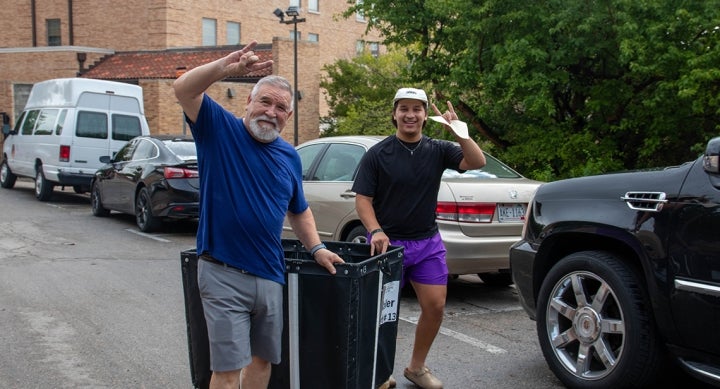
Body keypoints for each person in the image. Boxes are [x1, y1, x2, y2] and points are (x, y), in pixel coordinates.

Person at [173, 40, 344, 389]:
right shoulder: (219, 129)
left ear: (288, 116)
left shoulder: (289, 156)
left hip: (269, 273)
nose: (271, 111)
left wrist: (317, 248)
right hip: (222, 271)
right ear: (249, 102)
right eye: (264, 101)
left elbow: (300, 210)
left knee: (263, 362)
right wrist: (226, 68)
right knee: (226, 370)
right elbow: (183, 89)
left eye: (280, 107)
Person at [352, 87, 486, 389]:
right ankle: (379, 371)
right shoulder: (378, 154)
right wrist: (376, 230)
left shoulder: (438, 149)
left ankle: (416, 367)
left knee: (435, 306)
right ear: (394, 113)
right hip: (389, 248)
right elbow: (363, 200)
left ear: (426, 115)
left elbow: (476, 162)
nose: (410, 115)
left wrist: (458, 131)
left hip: (427, 243)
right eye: (404, 109)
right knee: (382, 314)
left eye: (417, 109)